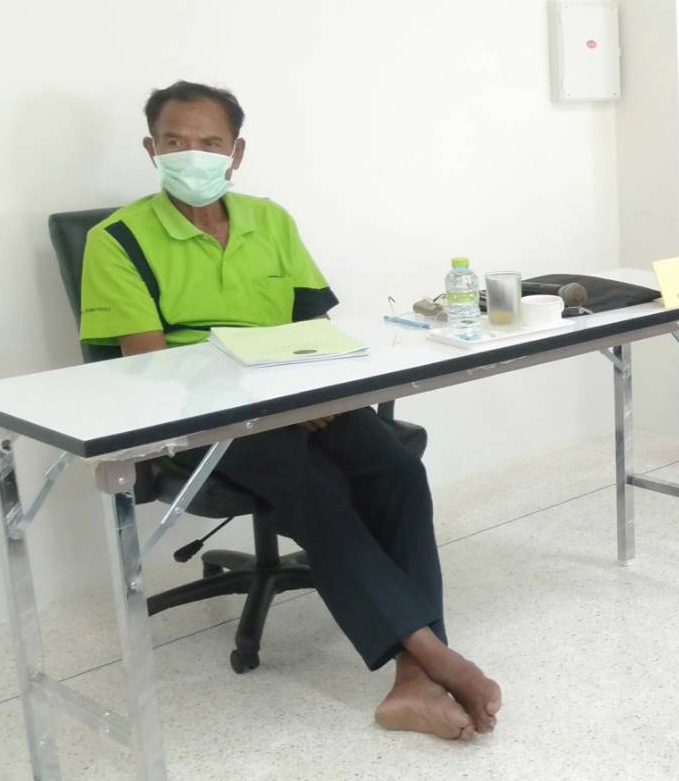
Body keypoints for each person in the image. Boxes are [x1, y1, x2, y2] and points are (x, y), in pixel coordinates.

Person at [78, 81, 501, 742]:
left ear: (237, 153)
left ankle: (412, 681)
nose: (192, 155)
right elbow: (153, 370)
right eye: (174, 142)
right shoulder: (117, 240)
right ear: (151, 149)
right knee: (315, 483)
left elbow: (314, 326)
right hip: (201, 415)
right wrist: (273, 396)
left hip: (294, 395)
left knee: (395, 467)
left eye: (210, 142)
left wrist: (310, 391)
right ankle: (433, 653)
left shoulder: (269, 220)